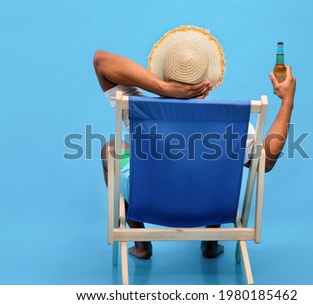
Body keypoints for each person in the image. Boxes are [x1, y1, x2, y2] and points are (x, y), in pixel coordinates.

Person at [93, 25, 296, 260]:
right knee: (218, 165)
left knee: (111, 149)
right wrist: (287, 101)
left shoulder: (139, 112)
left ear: (161, 74)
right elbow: (266, 163)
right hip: (211, 204)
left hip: (150, 200)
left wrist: (165, 89)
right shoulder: (233, 126)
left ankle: (141, 244)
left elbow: (101, 61)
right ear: (208, 82)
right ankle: (210, 244)